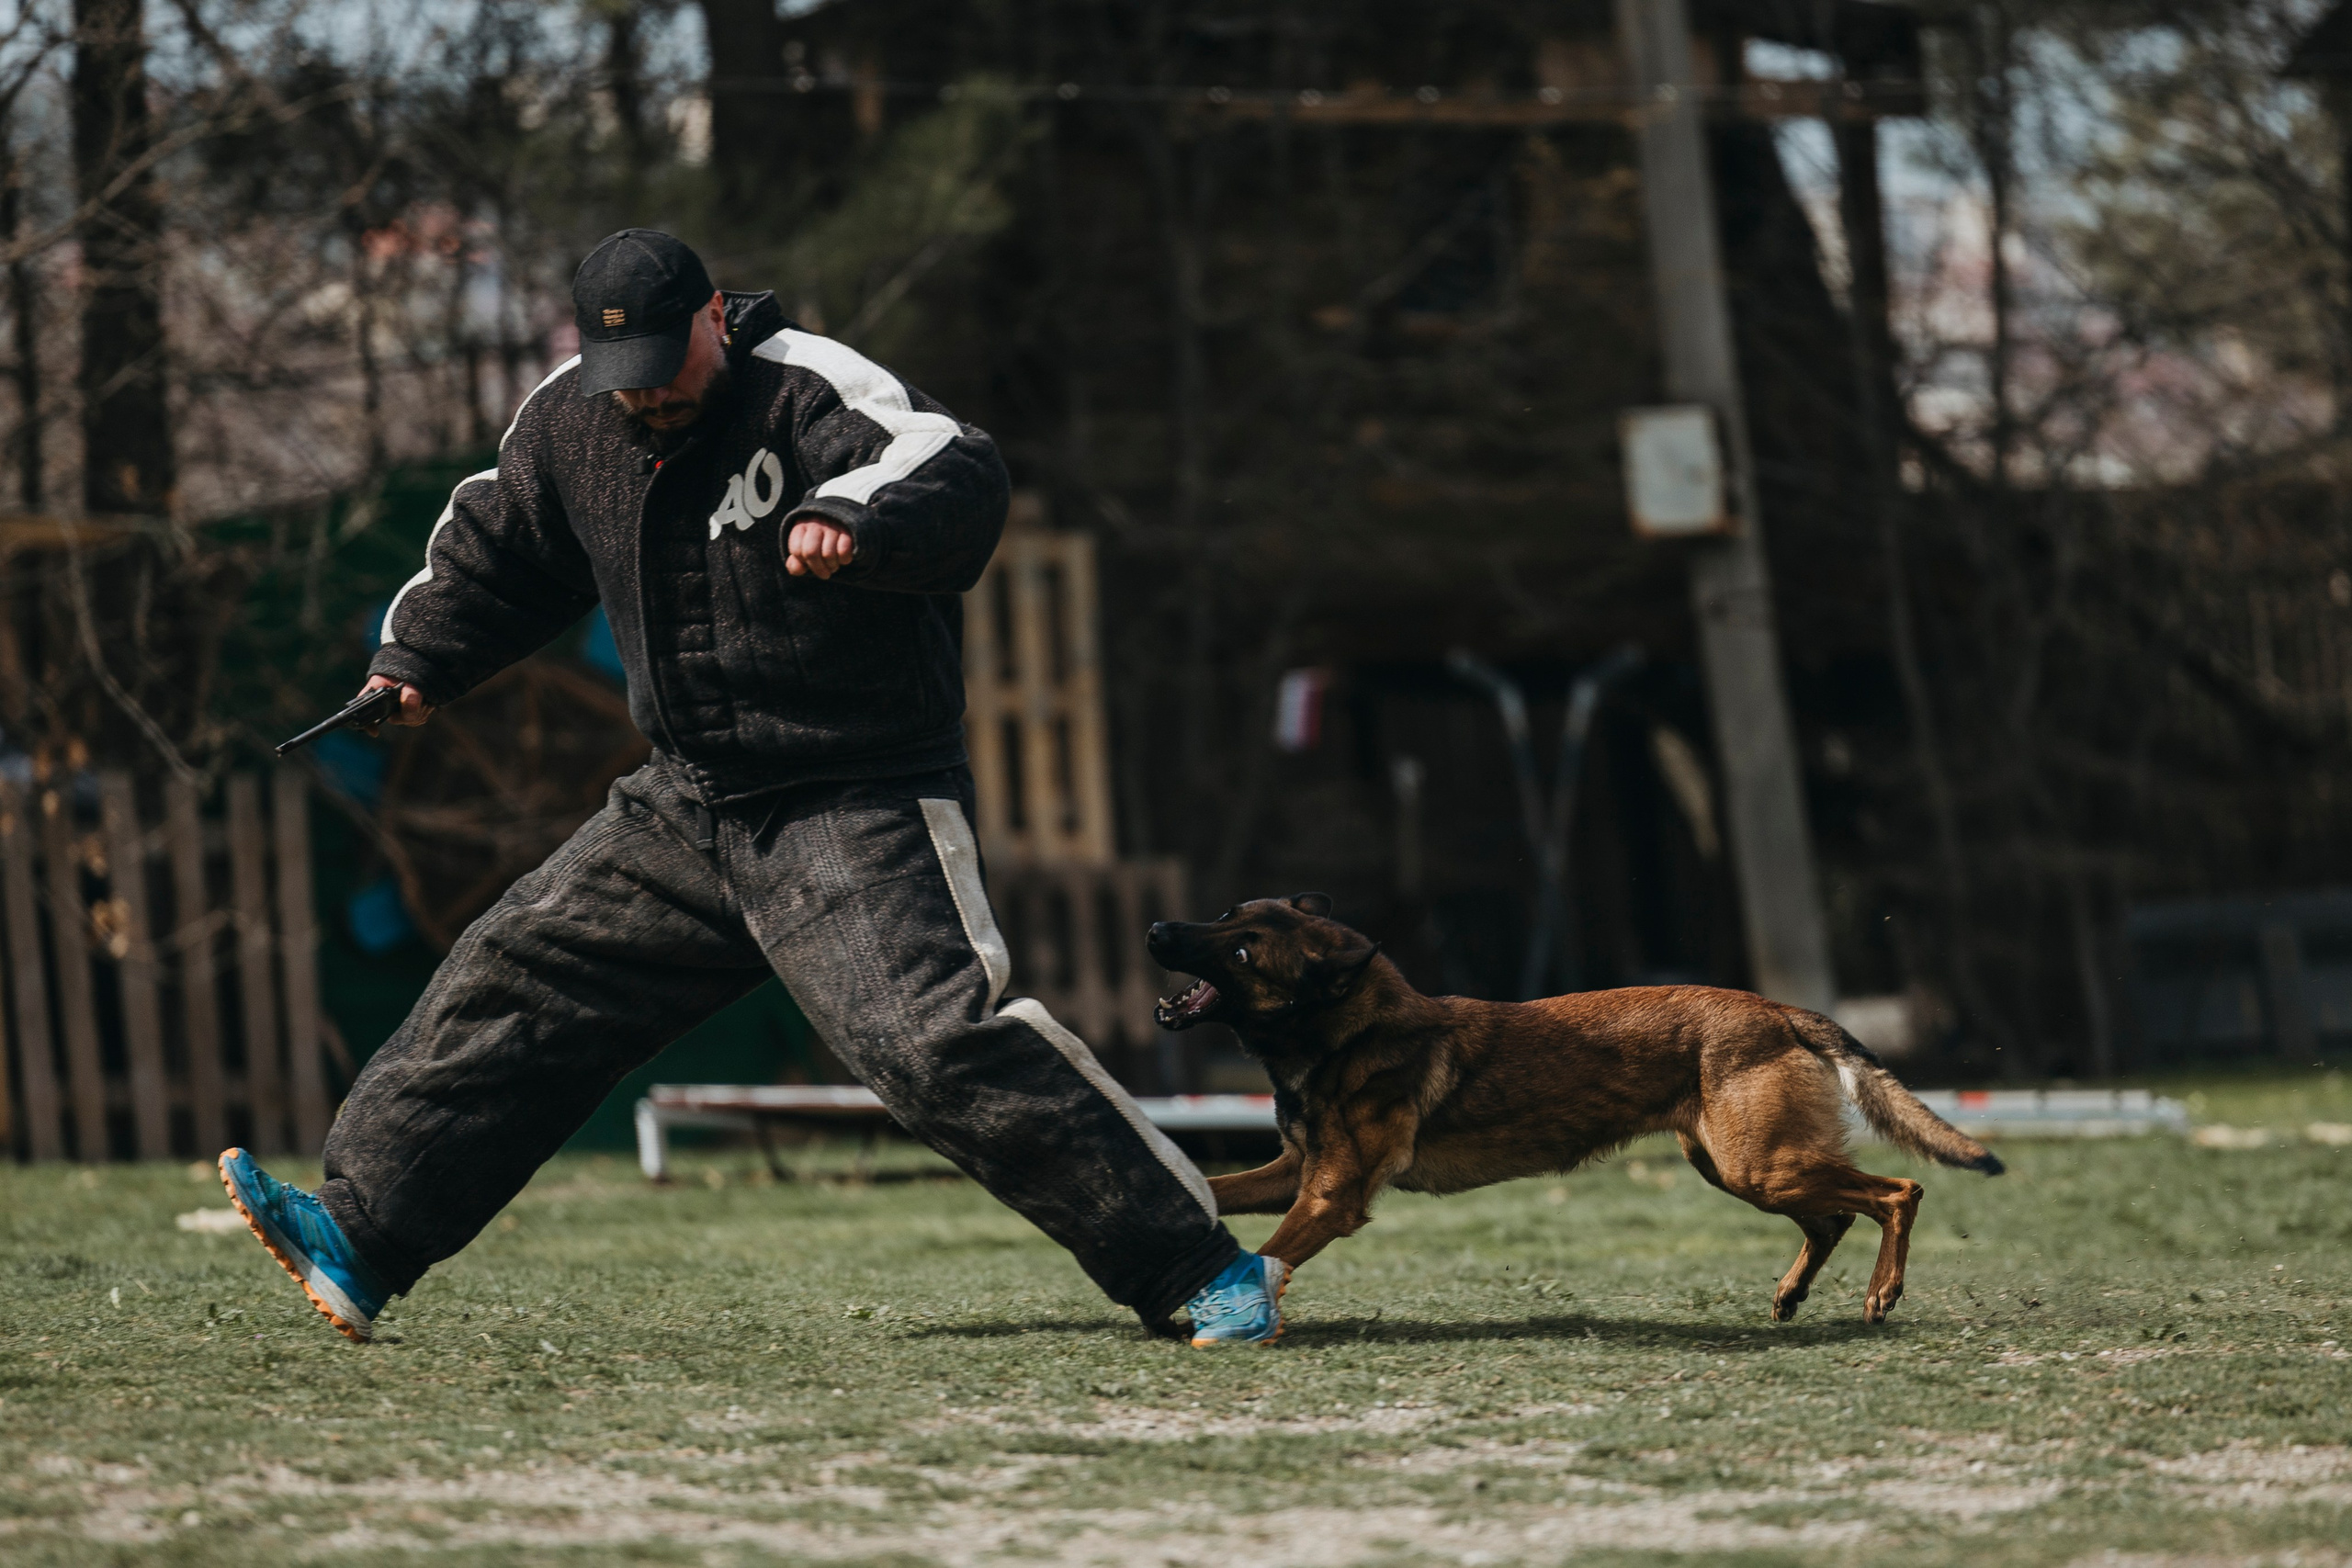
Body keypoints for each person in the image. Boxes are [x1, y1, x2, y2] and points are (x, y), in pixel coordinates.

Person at [219, 229, 1285, 1348]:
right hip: (688, 800)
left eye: (666, 374)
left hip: (852, 794)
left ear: (715, 317)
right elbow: (498, 542)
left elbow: (948, 461)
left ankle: (1200, 1269)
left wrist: (856, 519)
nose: (646, 403)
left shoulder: (811, 388)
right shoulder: (571, 419)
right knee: (517, 978)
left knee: (927, 1043)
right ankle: (361, 1235)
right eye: (620, 383)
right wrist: (418, 661)